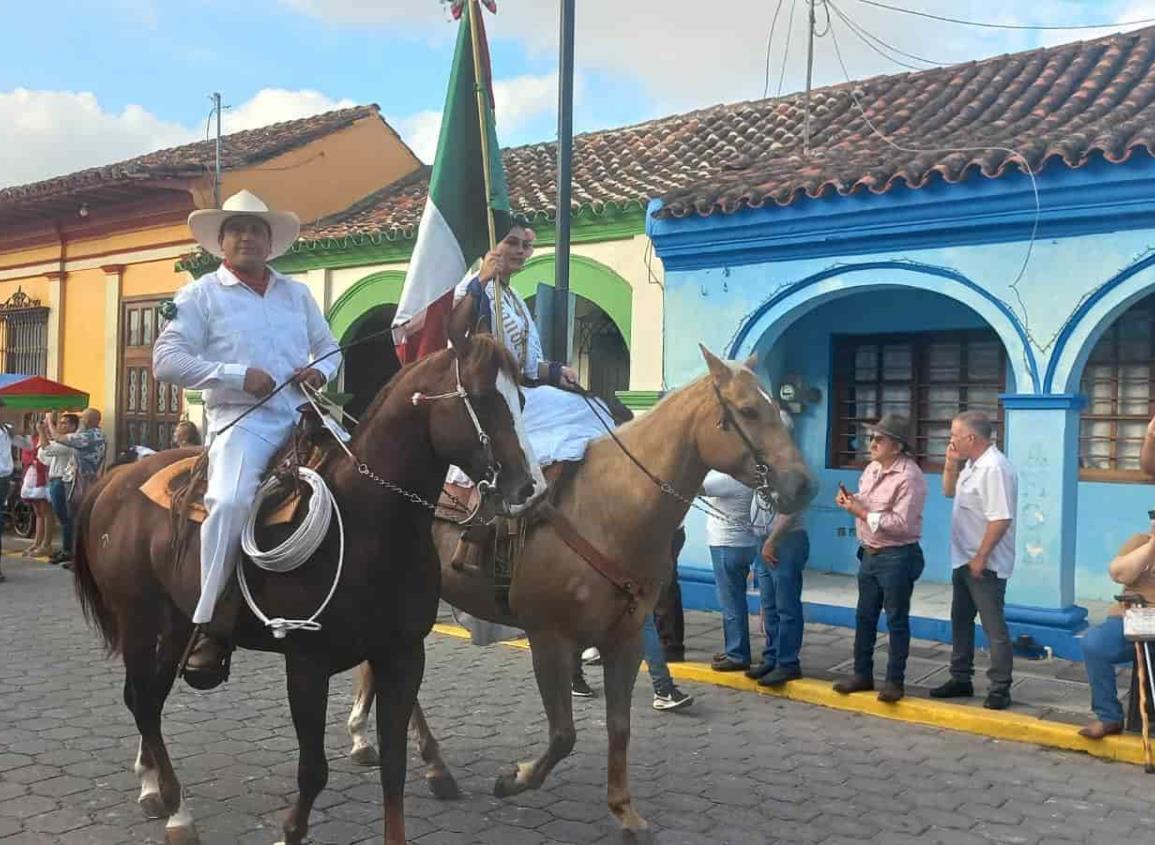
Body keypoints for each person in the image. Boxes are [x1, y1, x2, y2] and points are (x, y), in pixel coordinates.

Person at [153, 190, 341, 673]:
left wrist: (320, 373)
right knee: (231, 502)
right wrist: (237, 375)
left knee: (374, 473)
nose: (247, 237)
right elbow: (166, 362)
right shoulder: (199, 294)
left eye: (256, 230)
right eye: (237, 229)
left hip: (305, 416)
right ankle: (210, 619)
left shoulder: (296, 293)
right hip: (244, 421)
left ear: (270, 241)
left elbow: (330, 349)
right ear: (221, 242)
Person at [832, 414, 928, 703]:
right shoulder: (873, 468)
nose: (872, 443)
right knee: (865, 617)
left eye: (879, 439)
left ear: (897, 446)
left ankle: (894, 682)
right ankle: (862, 674)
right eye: (871, 437)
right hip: (870, 553)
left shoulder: (910, 477)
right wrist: (852, 499)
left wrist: (860, 513)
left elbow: (901, 524)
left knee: (896, 620)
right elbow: (868, 498)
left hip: (898, 555)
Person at [931, 410, 1018, 711]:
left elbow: (1001, 518)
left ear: (971, 437)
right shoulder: (971, 465)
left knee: (993, 627)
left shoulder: (994, 468)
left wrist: (981, 557)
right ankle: (960, 677)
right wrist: (951, 463)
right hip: (963, 557)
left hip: (985, 563)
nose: (951, 440)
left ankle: (1000, 687)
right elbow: (947, 491)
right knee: (961, 620)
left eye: (955, 435)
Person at [705, 468, 808, 678]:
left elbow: (790, 511)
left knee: (786, 607)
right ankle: (771, 658)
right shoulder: (760, 474)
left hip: (784, 541)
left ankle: (787, 663)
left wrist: (771, 541)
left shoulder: (788, 472)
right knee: (770, 606)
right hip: (763, 541)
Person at [1078, 531, 1155, 738]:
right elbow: (1119, 574)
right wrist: (1151, 546)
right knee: (1095, 644)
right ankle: (1109, 716)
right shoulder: (1141, 542)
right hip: (1130, 617)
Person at [38, 413, 78, 565]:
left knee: (66, 518)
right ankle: (66, 549)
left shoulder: (69, 441)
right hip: (55, 480)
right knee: (63, 518)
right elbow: (45, 457)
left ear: (73, 426)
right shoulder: (60, 442)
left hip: (62, 481)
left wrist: (44, 430)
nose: (60, 426)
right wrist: (46, 436)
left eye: (64, 423)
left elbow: (47, 450)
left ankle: (68, 550)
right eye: (59, 423)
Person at [0, 400, 32, 581]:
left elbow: (27, 446)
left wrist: (23, 429)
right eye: (3, 412)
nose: (5, 415)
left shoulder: (7, 430)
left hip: (3, 479)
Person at [20, 424, 53, 560]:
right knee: (38, 512)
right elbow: (25, 454)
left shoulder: (50, 439)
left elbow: (47, 456)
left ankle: (47, 543)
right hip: (32, 475)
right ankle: (37, 542)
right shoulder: (32, 439)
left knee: (46, 511)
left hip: (44, 476)